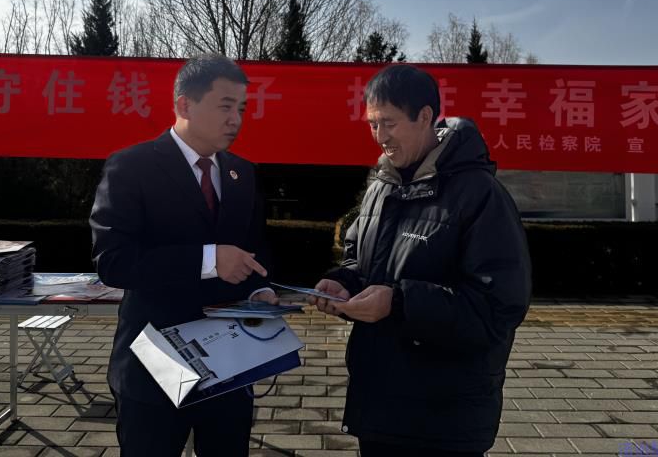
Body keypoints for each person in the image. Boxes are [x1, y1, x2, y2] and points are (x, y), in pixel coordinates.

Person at [311, 64, 531, 457]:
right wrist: (343, 284)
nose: (380, 137)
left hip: (443, 418)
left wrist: (399, 303)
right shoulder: (382, 186)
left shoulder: (480, 195)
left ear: (426, 116)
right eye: (373, 124)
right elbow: (360, 263)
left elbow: (497, 308)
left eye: (390, 123)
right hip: (379, 408)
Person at [90, 54, 276, 457]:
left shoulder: (242, 174)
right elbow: (113, 261)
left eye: (241, 108)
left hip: (229, 361)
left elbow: (255, 249)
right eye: (225, 106)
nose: (236, 119)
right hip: (156, 362)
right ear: (183, 105)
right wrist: (209, 260)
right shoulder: (131, 167)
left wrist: (260, 291)